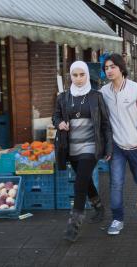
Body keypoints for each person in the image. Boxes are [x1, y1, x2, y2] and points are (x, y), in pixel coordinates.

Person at [52, 61, 113, 242]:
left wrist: (108, 147)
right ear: (70, 76)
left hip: (90, 147)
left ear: (87, 75)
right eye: (75, 75)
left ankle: (74, 225)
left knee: (79, 184)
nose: (78, 79)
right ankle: (99, 206)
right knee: (85, 182)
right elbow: (56, 115)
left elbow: (105, 124)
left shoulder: (96, 96)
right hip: (70, 148)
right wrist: (59, 123)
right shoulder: (63, 97)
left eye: (82, 75)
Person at [100, 53, 137, 235]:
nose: (109, 70)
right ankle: (117, 219)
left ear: (121, 68)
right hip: (117, 147)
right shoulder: (103, 92)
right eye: (106, 68)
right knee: (116, 183)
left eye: (112, 67)